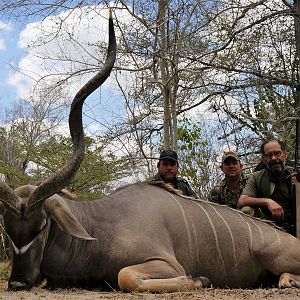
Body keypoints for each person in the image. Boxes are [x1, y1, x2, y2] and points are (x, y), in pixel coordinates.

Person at [238, 138, 296, 235]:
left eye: (277, 153)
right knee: (246, 210)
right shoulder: (257, 177)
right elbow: (242, 201)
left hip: (295, 225)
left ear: (285, 154)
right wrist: (267, 201)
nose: (273, 158)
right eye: (269, 155)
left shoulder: (295, 175)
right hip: (269, 229)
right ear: (264, 159)